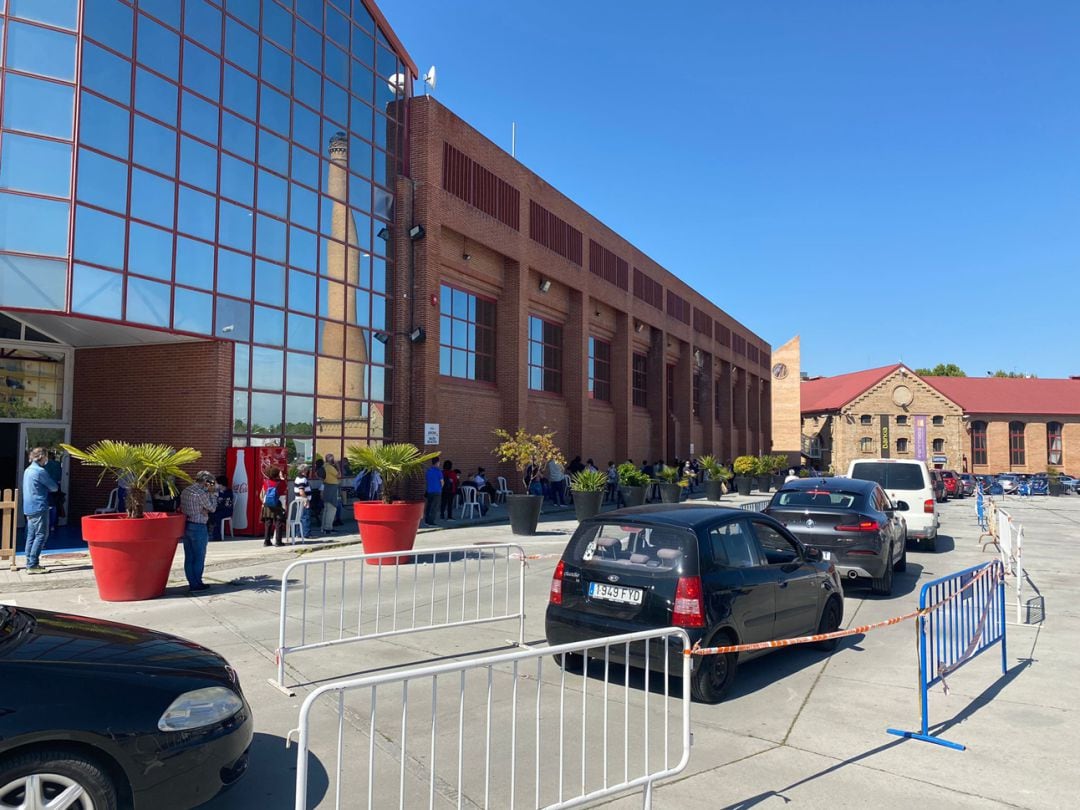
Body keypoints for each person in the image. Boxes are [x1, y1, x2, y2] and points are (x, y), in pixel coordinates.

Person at [180, 471, 219, 592]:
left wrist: (203, 509)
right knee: (199, 556)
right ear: (205, 481)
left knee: (189, 556)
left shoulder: (186, 490)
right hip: (199, 525)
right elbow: (212, 508)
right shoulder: (201, 493)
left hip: (187, 524)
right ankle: (197, 583)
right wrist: (212, 494)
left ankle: (192, 582)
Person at [22, 447, 58, 574]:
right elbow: (53, 487)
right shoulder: (40, 471)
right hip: (39, 506)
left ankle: (29, 562)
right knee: (41, 535)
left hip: (28, 507)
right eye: (46, 456)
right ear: (42, 456)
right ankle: (33, 564)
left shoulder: (27, 470)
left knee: (31, 536)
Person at [260, 468, 286, 547]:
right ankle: (278, 541)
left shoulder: (266, 482)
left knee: (268, 523)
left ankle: (266, 541)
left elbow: (263, 493)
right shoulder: (280, 483)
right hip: (277, 504)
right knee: (278, 522)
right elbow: (283, 493)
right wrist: (282, 479)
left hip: (267, 504)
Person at [209, 475, 234, 541]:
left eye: (216, 483)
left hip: (226, 511)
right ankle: (210, 533)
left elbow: (226, 504)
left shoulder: (228, 492)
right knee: (209, 514)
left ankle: (217, 536)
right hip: (218, 509)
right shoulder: (217, 492)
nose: (215, 484)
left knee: (217, 516)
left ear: (221, 484)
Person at [44, 450, 64, 531]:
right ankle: (53, 524)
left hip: (46, 487)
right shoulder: (57, 464)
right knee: (55, 505)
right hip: (56, 486)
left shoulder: (45, 465)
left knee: (48, 505)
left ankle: (47, 524)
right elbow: (60, 476)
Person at [321, 453, 341, 534]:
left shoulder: (324, 466)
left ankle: (323, 527)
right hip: (332, 488)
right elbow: (339, 475)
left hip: (326, 487)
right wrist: (337, 466)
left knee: (326, 509)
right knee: (332, 509)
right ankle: (328, 528)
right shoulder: (330, 467)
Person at [294, 464, 313, 539]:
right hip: (303, 500)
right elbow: (301, 491)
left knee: (299, 517)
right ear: (304, 471)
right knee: (305, 517)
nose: (309, 471)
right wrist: (306, 500)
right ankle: (306, 534)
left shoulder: (297, 478)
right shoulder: (303, 479)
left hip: (298, 500)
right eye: (308, 470)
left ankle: (298, 533)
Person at [423, 456, 442, 527]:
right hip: (437, 491)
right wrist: (440, 487)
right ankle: (431, 522)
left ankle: (426, 521)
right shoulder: (438, 471)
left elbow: (427, 481)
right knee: (434, 507)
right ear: (437, 463)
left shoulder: (428, 471)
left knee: (429, 506)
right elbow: (442, 482)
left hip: (429, 491)